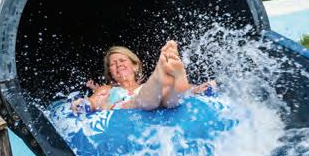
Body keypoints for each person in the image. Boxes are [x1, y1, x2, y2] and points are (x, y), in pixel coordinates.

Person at [72, 41, 212, 112]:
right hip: (129, 106)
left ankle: (175, 83)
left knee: (167, 96)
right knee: (140, 99)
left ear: (135, 66)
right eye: (113, 64)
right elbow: (92, 101)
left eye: (122, 60)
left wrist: (197, 89)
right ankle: (161, 75)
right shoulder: (107, 89)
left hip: (153, 97)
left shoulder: (146, 86)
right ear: (111, 73)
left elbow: (189, 90)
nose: (118, 65)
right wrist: (83, 104)